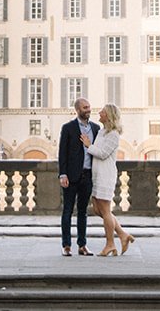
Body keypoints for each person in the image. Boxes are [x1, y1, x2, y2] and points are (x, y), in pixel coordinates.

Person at [84, 102, 134, 255]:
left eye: (103, 111)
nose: (99, 113)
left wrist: (88, 145)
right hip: (97, 175)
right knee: (98, 209)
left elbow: (103, 153)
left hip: (106, 175)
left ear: (109, 116)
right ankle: (122, 235)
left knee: (105, 210)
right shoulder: (101, 132)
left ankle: (110, 244)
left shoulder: (113, 135)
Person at [57, 96, 99, 256]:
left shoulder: (96, 128)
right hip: (71, 176)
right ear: (77, 110)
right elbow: (62, 153)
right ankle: (66, 245)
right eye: (85, 108)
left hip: (87, 176)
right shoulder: (68, 128)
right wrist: (63, 174)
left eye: (89, 107)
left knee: (83, 211)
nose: (88, 110)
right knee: (67, 210)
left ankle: (82, 245)